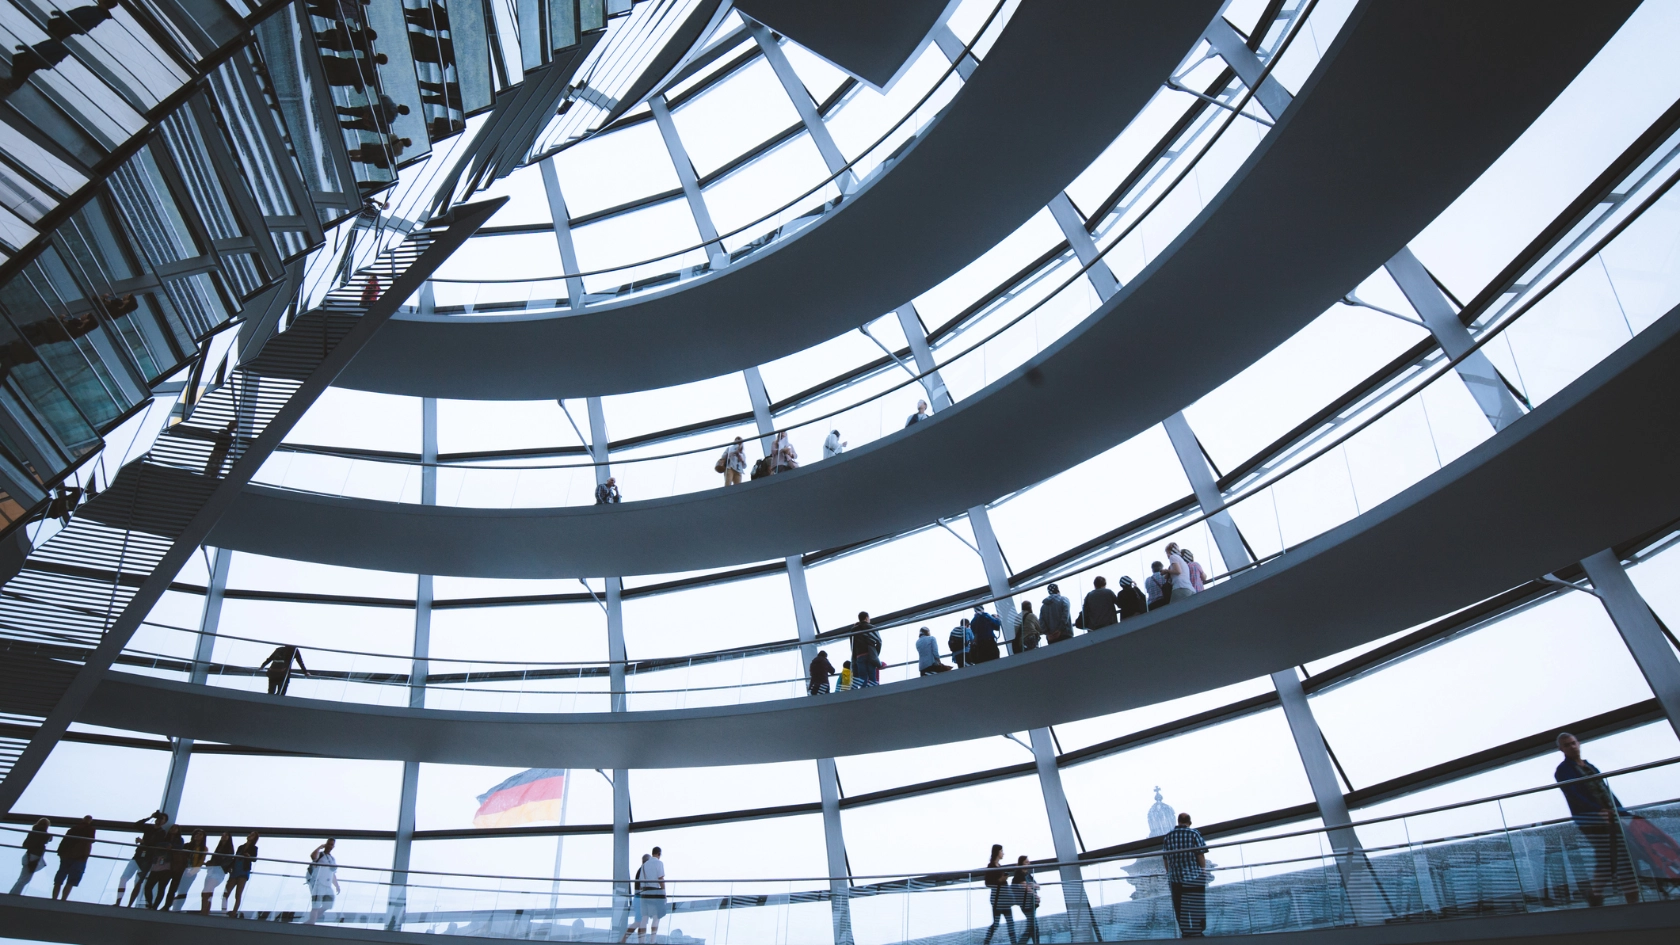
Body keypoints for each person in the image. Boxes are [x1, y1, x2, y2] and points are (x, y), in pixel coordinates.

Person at [1555, 732, 1638, 906]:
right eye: (1567, 745)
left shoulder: (1589, 766)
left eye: (1573, 743)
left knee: (1610, 856)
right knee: (1617, 856)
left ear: (1578, 743)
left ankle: (1596, 894)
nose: (1572, 747)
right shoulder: (1563, 770)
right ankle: (1628, 898)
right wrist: (1596, 811)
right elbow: (1573, 794)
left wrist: (1621, 811)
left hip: (1609, 816)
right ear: (1561, 749)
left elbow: (1604, 790)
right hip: (1592, 819)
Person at [1163, 812, 1209, 937]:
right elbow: (1200, 854)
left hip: (1176, 879)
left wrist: (1169, 873)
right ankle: (1198, 930)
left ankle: (1185, 931)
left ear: (1178, 822)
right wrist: (1203, 870)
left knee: (1180, 907)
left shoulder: (1168, 837)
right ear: (1189, 822)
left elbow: (1165, 858)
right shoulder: (1194, 834)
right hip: (1194, 876)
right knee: (1197, 904)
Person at [116, 810, 168, 906]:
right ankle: (118, 902)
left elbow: (156, 844)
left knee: (138, 882)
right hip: (138, 857)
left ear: (165, 822)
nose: (159, 820)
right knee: (124, 878)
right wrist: (150, 817)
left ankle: (129, 904)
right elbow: (136, 825)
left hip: (148, 859)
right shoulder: (149, 827)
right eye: (158, 818)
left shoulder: (162, 833)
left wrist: (143, 842)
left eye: (162, 819)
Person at [981, 844, 1016, 945]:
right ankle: (986, 942)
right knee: (996, 924)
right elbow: (987, 883)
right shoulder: (991, 866)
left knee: (1010, 923)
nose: (1003, 853)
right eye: (1001, 851)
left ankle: (1014, 943)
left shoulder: (999, 866)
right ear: (997, 852)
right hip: (998, 900)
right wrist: (999, 880)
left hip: (1004, 899)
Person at [53, 815, 95, 901]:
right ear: (90, 821)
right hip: (80, 857)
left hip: (66, 855)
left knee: (59, 878)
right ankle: (63, 899)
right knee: (72, 880)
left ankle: (54, 898)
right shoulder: (90, 829)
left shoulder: (73, 828)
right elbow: (91, 840)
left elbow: (65, 840)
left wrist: (60, 852)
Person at [143, 823, 182, 909]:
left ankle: (155, 906)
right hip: (156, 864)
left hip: (167, 867)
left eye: (176, 828)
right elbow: (157, 844)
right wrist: (167, 846)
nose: (173, 829)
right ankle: (149, 903)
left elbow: (180, 847)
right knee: (148, 887)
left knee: (161, 888)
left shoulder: (179, 840)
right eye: (172, 827)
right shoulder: (164, 837)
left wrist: (171, 846)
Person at [10, 817, 50, 894]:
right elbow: (46, 840)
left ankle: (13, 893)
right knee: (25, 879)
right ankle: (14, 894)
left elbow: (25, 844)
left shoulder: (33, 832)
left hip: (28, 855)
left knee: (23, 878)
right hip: (33, 857)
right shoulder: (43, 834)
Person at [170, 828, 207, 910]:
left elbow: (200, 861)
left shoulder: (203, 848)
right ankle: (169, 905)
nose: (197, 835)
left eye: (200, 834)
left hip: (191, 872)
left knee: (183, 891)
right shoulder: (187, 845)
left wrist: (192, 872)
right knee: (174, 888)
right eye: (196, 834)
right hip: (181, 870)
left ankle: (177, 908)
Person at [306, 838, 340, 924]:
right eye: (329, 844)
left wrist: (336, 885)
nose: (330, 846)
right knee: (316, 906)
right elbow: (313, 857)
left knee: (328, 904)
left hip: (327, 885)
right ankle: (311, 922)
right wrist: (320, 847)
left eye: (332, 844)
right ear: (326, 844)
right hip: (318, 884)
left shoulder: (332, 859)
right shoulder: (320, 855)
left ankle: (311, 921)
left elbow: (332, 874)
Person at [637, 847, 668, 943]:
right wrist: (664, 892)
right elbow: (660, 878)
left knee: (644, 918)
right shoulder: (659, 863)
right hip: (654, 892)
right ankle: (652, 941)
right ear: (659, 854)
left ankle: (642, 941)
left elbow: (641, 881)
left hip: (644, 893)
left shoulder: (644, 865)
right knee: (656, 917)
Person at [224, 831, 258, 915]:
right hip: (235, 870)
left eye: (252, 835)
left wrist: (249, 856)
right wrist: (230, 867)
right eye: (250, 834)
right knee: (226, 893)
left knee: (238, 894)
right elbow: (235, 858)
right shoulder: (241, 847)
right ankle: (223, 911)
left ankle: (234, 912)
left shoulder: (254, 848)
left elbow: (254, 859)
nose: (250, 835)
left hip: (243, 871)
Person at [201, 831, 234, 913]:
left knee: (206, 891)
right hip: (212, 871)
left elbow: (226, 862)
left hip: (218, 872)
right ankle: (205, 911)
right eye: (223, 834)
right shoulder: (219, 848)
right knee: (208, 892)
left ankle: (204, 912)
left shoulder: (229, 850)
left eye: (226, 835)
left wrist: (214, 863)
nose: (224, 836)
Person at [620, 853, 650, 942]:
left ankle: (641, 941)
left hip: (639, 899)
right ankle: (624, 939)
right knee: (639, 922)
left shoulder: (641, 871)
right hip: (640, 899)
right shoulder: (643, 871)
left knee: (641, 922)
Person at [1012, 855, 1040, 945]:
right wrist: (1035, 895)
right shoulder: (1019, 875)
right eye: (1026, 862)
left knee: (1031, 926)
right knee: (1033, 926)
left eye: (1028, 862)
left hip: (1031, 903)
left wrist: (1031, 885)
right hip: (1026, 904)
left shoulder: (1027, 874)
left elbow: (1037, 886)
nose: (1029, 863)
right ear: (1021, 864)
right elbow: (1026, 887)